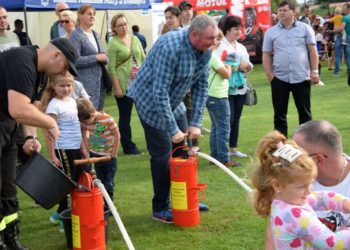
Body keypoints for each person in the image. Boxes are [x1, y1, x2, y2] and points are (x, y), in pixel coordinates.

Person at [127, 15, 218, 223]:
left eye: (215, 38)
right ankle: (160, 208)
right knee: (162, 156)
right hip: (149, 100)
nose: (214, 42)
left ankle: (185, 200)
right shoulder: (170, 47)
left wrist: (195, 122)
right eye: (210, 38)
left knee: (184, 153)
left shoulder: (205, 51)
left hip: (174, 101)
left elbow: (202, 87)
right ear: (194, 35)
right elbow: (159, 92)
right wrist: (172, 130)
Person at [0, 37, 78, 249]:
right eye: (65, 65)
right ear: (56, 55)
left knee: (8, 189)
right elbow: (19, 109)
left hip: (8, 128)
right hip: (5, 122)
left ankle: (10, 238)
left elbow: (31, 108)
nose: (63, 71)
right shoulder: (20, 60)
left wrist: (30, 138)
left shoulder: (41, 74)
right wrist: (50, 123)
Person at [252, 130, 350, 249]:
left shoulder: (286, 201)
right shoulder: (294, 215)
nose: (309, 191)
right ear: (277, 185)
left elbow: (321, 198)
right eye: (302, 186)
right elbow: (332, 243)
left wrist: (345, 204)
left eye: (310, 183)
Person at [40, 73, 89, 233]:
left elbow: (76, 126)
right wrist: (53, 155)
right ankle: (66, 218)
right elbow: (49, 131)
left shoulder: (73, 102)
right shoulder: (54, 105)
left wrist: (82, 146)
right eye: (62, 86)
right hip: (63, 148)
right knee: (68, 183)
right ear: (53, 86)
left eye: (69, 85)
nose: (66, 89)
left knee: (77, 180)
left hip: (75, 146)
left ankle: (59, 214)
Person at [262, 0, 319, 137]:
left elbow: (312, 51)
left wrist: (315, 71)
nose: (281, 13)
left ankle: (306, 145)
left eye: (284, 10)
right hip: (279, 79)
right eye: (279, 10)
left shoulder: (305, 28)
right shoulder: (271, 32)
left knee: (305, 114)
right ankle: (281, 148)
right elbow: (266, 54)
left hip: (301, 77)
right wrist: (270, 76)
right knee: (279, 115)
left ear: (294, 12)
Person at [107, 14, 145, 156]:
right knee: (125, 117)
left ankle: (153, 142)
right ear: (114, 29)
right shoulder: (113, 43)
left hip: (139, 82)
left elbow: (143, 58)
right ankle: (129, 147)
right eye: (120, 25)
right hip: (124, 84)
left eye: (125, 24)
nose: (123, 27)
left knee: (145, 115)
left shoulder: (135, 39)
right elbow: (111, 68)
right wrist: (116, 87)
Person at [216, 16, 253, 159]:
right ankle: (222, 151)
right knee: (227, 119)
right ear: (227, 29)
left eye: (240, 29)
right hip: (225, 88)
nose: (239, 31)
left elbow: (248, 66)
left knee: (236, 119)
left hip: (241, 87)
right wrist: (238, 64)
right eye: (236, 29)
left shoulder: (241, 47)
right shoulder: (220, 45)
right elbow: (223, 63)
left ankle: (233, 148)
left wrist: (240, 64)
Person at [76, 98, 120, 203]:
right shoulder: (87, 121)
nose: (85, 124)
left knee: (108, 183)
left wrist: (114, 152)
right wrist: (86, 143)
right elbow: (86, 130)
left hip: (109, 157)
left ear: (91, 115)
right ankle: (102, 202)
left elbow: (117, 135)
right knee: (99, 180)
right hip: (95, 155)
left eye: (86, 122)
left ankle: (109, 205)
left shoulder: (108, 120)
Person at [206, 30, 237, 167]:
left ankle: (214, 157)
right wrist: (228, 65)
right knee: (223, 128)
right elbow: (226, 74)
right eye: (216, 39)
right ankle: (224, 159)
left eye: (219, 39)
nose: (218, 42)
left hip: (211, 95)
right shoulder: (212, 56)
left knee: (216, 128)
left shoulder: (207, 55)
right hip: (218, 96)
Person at [70, 4, 108, 111]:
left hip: (100, 82)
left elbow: (102, 54)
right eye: (89, 14)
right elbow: (75, 60)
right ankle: (90, 129)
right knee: (87, 115)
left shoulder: (95, 34)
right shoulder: (76, 35)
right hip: (85, 84)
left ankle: (99, 129)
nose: (92, 16)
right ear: (80, 16)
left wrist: (105, 58)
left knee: (98, 114)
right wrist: (96, 58)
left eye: (94, 14)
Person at [335, 3, 350, 86]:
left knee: (346, 54)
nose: (343, 10)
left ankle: (340, 71)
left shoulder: (345, 17)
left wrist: (333, 31)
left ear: (348, 8)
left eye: (344, 8)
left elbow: (341, 28)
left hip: (347, 36)